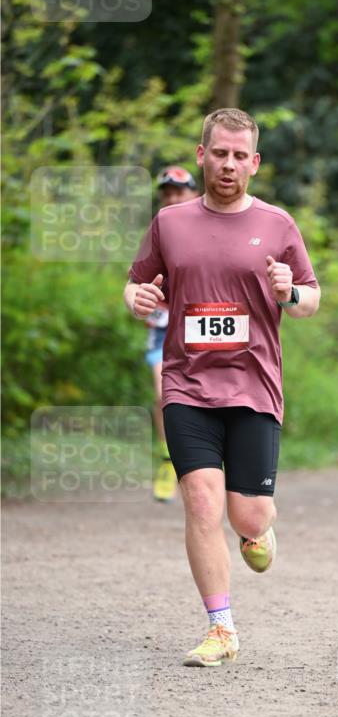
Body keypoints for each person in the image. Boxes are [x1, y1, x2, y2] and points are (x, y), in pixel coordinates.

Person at [124, 108, 320, 666]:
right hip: (186, 384)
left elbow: (310, 299)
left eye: (240, 156)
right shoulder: (170, 224)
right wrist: (136, 299)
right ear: (201, 155)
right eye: (219, 153)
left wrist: (289, 293)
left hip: (254, 387)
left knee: (247, 516)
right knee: (201, 501)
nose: (228, 164)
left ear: (254, 163)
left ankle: (259, 530)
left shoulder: (278, 225)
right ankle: (221, 628)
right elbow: (137, 283)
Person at [147, 167, 200, 502]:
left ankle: (203, 463)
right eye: (167, 192)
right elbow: (139, 282)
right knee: (163, 395)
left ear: (194, 195)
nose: (172, 198)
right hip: (163, 332)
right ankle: (168, 460)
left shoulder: (214, 227)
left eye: (179, 192)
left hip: (205, 330)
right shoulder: (157, 233)